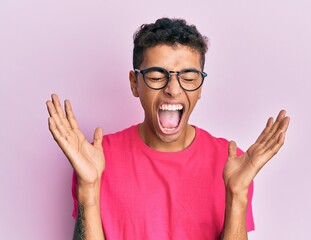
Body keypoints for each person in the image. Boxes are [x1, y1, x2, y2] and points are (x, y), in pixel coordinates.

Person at [46, 18, 290, 240]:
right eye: (155, 76)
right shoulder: (96, 159)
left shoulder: (232, 162)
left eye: (189, 77)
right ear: (134, 83)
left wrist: (237, 195)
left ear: (201, 86)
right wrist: (88, 189)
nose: (173, 89)